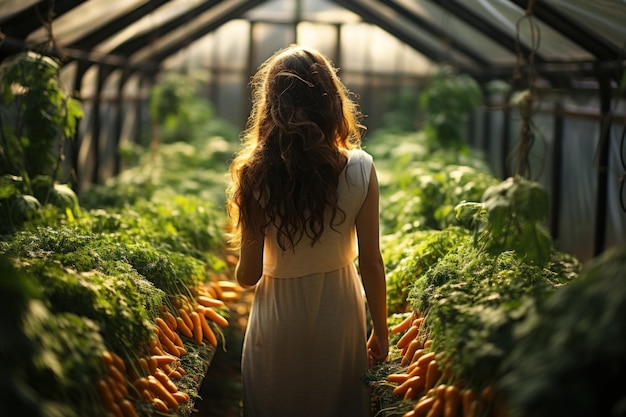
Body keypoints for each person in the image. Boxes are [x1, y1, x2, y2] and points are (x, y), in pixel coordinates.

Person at [226, 44, 388, 417]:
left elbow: (248, 277)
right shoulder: (360, 168)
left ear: (270, 104)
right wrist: (380, 330)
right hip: (341, 316)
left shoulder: (252, 173)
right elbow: (372, 262)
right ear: (331, 101)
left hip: (278, 320)